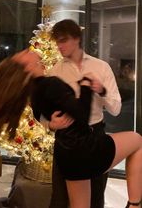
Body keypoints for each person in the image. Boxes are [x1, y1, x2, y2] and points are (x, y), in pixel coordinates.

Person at [0, 49, 142, 208]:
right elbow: (81, 115)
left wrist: (52, 123)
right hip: (84, 148)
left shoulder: (36, 91)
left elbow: (43, 115)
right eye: (23, 54)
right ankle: (135, 204)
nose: (28, 50)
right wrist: (85, 86)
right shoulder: (50, 83)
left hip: (68, 152)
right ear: (28, 68)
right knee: (137, 140)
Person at [46, 19, 122, 208]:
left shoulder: (101, 67)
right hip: (67, 139)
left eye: (63, 40)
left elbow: (116, 108)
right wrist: (49, 124)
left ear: (77, 39)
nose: (59, 46)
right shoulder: (55, 72)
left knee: (95, 198)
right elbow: (42, 111)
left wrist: (101, 90)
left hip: (95, 137)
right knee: (61, 200)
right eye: (57, 41)